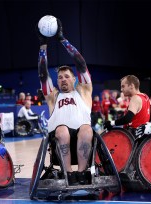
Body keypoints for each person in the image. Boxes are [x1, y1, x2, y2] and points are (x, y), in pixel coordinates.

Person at [37, 18, 93, 185]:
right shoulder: (53, 95)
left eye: (66, 76)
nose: (62, 80)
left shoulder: (83, 91)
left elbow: (81, 63)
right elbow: (43, 74)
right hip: (59, 138)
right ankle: (68, 174)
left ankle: (81, 174)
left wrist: (62, 39)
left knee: (86, 129)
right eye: (60, 77)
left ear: (74, 79)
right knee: (62, 130)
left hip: (82, 135)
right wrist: (43, 45)